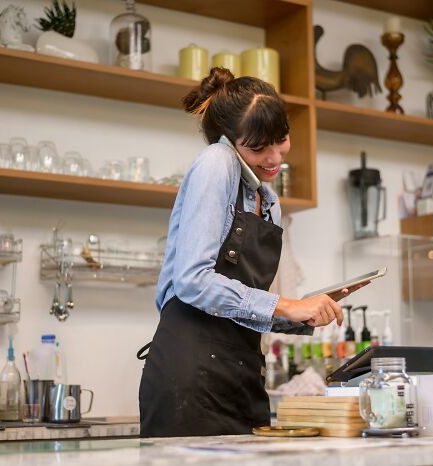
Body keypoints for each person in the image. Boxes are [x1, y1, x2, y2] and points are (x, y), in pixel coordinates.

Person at [138, 67, 352, 438]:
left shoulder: (267, 198)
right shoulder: (216, 161)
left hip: (240, 376)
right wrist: (285, 305)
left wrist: (305, 314)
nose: (274, 157)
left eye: (281, 139)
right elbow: (191, 281)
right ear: (230, 141)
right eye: (258, 147)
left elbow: (240, 307)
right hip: (190, 378)